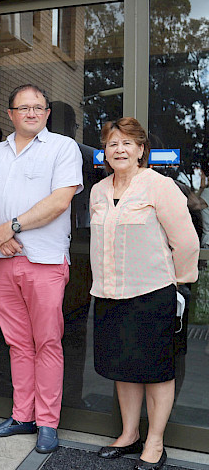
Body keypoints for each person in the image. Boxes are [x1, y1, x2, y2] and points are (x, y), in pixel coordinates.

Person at [90, 118, 198, 470]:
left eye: (127, 143)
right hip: (109, 294)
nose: (119, 149)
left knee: (156, 371)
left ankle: (155, 442)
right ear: (105, 151)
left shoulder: (160, 186)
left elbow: (185, 240)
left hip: (152, 293)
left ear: (140, 150)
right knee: (124, 369)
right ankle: (129, 434)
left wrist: (179, 285)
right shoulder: (98, 190)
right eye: (112, 144)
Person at [0, 84, 83, 454]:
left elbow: (59, 201)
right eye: (24, 108)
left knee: (48, 343)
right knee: (17, 343)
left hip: (46, 261)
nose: (32, 113)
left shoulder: (62, 148)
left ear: (47, 113)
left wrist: (14, 226)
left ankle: (47, 423)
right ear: (10, 114)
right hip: (4, 260)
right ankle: (22, 415)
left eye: (38, 107)